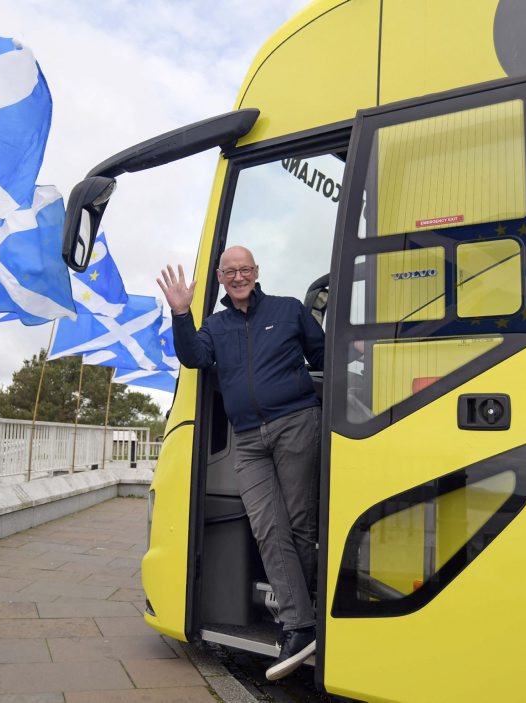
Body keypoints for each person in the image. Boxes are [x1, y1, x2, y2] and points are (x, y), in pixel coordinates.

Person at [157, 245, 324, 681]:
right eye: (229, 271)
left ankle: (301, 616)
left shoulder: (288, 310)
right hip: (247, 438)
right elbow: (194, 357)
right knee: (267, 526)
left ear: (256, 271)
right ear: (219, 277)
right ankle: (301, 624)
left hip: (295, 423)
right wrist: (181, 313)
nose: (238, 277)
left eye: (244, 269)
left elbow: (324, 356)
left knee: (301, 523)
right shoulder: (215, 324)